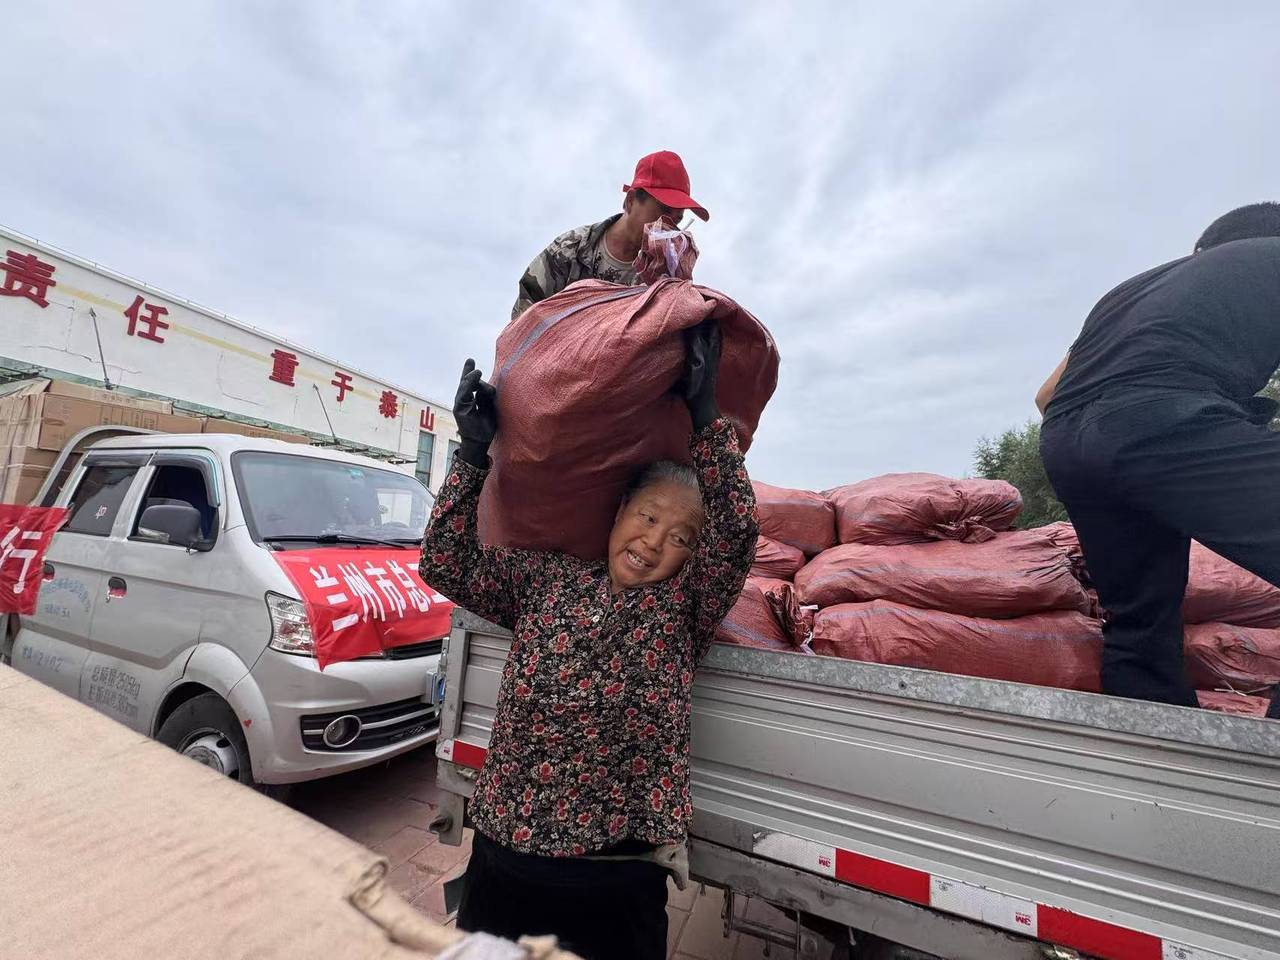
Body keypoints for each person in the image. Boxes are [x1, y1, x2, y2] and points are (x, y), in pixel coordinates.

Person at [419, 326, 757, 958]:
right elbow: (444, 562)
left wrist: (706, 415)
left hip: (617, 875)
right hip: (506, 854)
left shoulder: (684, 609)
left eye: (681, 538)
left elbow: (737, 532)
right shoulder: (545, 578)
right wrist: (471, 452)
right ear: (620, 510)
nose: (654, 541)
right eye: (648, 516)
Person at [1037, 202, 1280, 720]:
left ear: (1200, 250)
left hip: (1066, 440)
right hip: (1166, 418)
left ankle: (1157, 760)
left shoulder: (1128, 292)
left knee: (1139, 623)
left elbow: (1045, 394)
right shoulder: (1270, 259)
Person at [511, 150, 710, 320]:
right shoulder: (571, 250)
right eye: (663, 212)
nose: (668, 227)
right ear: (631, 201)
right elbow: (524, 317)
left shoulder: (664, 276)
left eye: (677, 220)